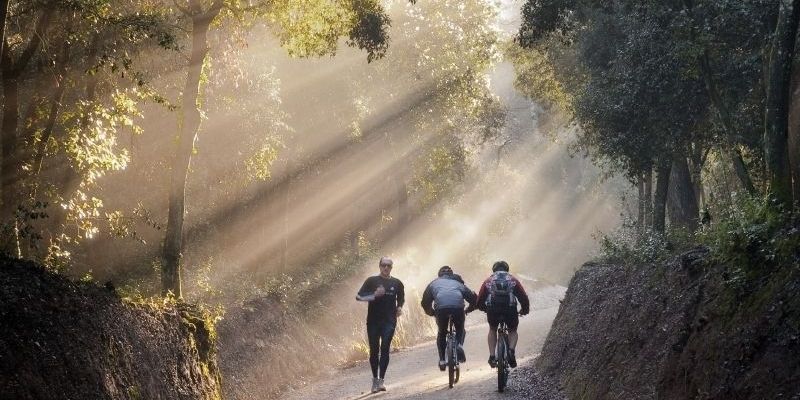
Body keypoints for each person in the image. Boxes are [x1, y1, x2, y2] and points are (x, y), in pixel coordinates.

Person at [356, 256, 405, 393]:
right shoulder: (371, 281)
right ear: (379, 266)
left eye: (389, 266)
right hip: (373, 322)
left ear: (392, 268)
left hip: (389, 321)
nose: (386, 268)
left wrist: (400, 307)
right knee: (374, 350)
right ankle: (374, 380)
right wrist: (374, 295)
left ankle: (381, 381)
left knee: (385, 348)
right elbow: (359, 296)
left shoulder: (397, 283)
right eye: (384, 265)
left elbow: (401, 297)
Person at [420, 266, 477, 370]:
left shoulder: (433, 284)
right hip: (457, 309)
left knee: (442, 333)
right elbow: (473, 299)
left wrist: (432, 312)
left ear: (439, 275)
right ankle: (459, 345)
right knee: (460, 329)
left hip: (441, 310)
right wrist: (468, 309)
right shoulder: (459, 284)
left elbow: (425, 302)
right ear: (452, 275)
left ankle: (442, 360)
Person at [475, 260, 530, 368]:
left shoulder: (488, 280)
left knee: (492, 329)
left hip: (493, 309)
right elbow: (523, 297)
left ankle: (492, 356)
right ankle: (511, 351)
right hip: (510, 309)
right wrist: (524, 310)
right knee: (513, 330)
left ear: (494, 270)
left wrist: (484, 308)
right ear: (507, 269)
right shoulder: (513, 280)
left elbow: (480, 298)